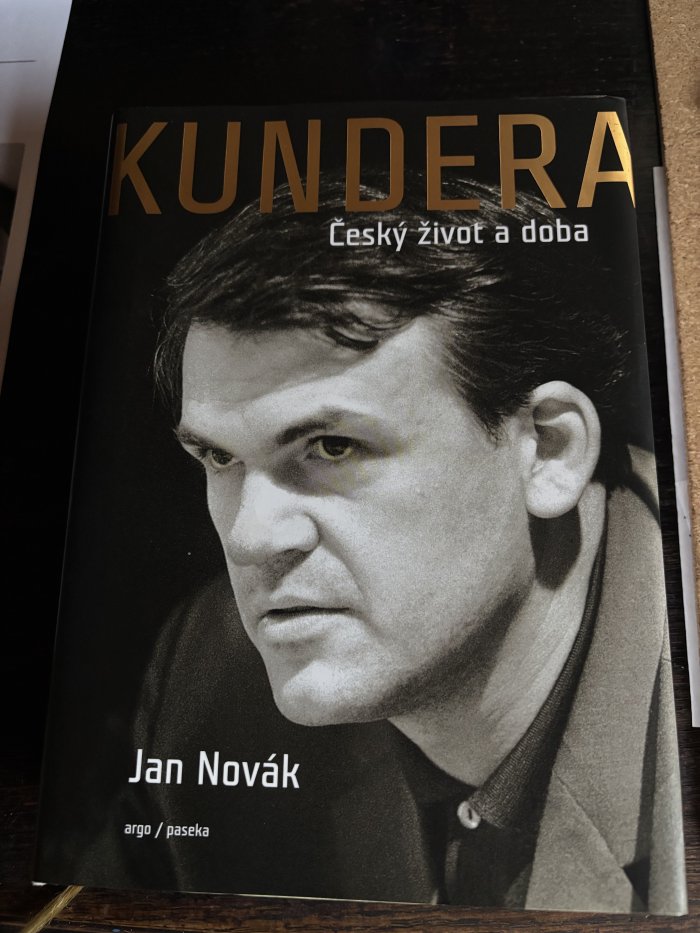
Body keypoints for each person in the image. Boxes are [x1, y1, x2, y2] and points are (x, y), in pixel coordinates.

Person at [133, 177, 685, 913]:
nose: (249, 537)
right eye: (219, 457)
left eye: (332, 445)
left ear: (548, 451)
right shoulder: (209, 682)